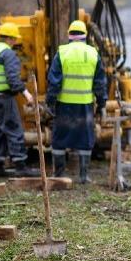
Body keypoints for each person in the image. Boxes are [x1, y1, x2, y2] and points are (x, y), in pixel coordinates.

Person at [46, 20, 107, 184]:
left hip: (64, 104)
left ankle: (59, 175)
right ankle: (84, 176)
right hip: (85, 104)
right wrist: (102, 104)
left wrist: (50, 102)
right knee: (85, 138)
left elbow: (54, 81)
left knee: (59, 138)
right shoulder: (93, 53)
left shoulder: (62, 52)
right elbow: (100, 83)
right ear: (85, 36)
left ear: (69, 35)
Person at [0, 22, 38, 177]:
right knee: (14, 130)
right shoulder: (8, 53)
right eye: (15, 40)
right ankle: (20, 166)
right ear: (11, 39)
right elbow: (13, 80)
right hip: (3, 98)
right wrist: (27, 94)